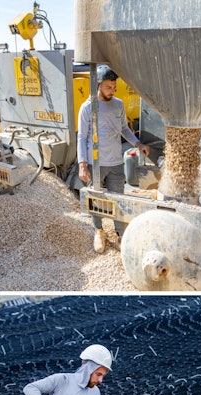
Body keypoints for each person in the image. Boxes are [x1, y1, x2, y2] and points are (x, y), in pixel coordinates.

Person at [77, 66, 150, 254]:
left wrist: (138, 144)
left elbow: (124, 129)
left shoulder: (118, 104)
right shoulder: (88, 107)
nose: (112, 90)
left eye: (114, 87)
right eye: (109, 87)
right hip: (96, 163)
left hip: (116, 162)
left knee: (118, 199)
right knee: (97, 199)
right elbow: (82, 138)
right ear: (98, 85)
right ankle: (99, 231)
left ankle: (120, 235)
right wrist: (82, 165)